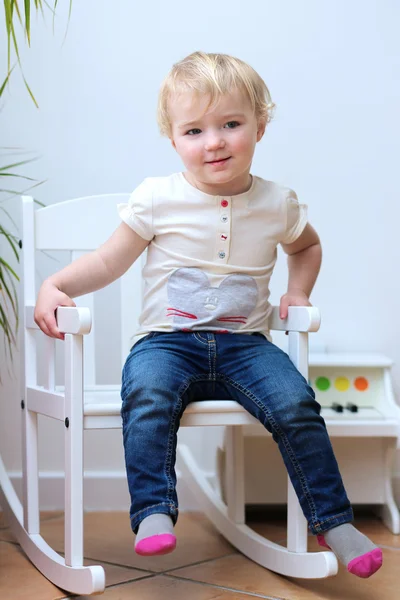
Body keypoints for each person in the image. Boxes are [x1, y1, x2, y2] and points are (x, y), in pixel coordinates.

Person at [34, 51, 382, 578]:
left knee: (296, 404)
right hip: (167, 344)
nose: (213, 141)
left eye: (230, 124)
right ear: (173, 139)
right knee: (147, 393)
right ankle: (153, 510)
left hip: (249, 346)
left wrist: (298, 292)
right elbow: (109, 261)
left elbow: (307, 247)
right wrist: (55, 283)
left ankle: (333, 521)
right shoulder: (157, 198)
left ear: (260, 127)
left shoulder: (277, 202)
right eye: (194, 130)